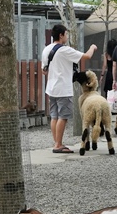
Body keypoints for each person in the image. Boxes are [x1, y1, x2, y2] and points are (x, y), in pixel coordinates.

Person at [41, 23, 96, 154]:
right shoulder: (64, 50)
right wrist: (92, 47)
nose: (66, 36)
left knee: (54, 116)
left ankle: (57, 142)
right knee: (63, 117)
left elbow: (44, 70)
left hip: (51, 88)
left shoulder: (46, 49)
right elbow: (87, 56)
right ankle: (58, 144)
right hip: (63, 88)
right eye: (66, 34)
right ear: (61, 35)